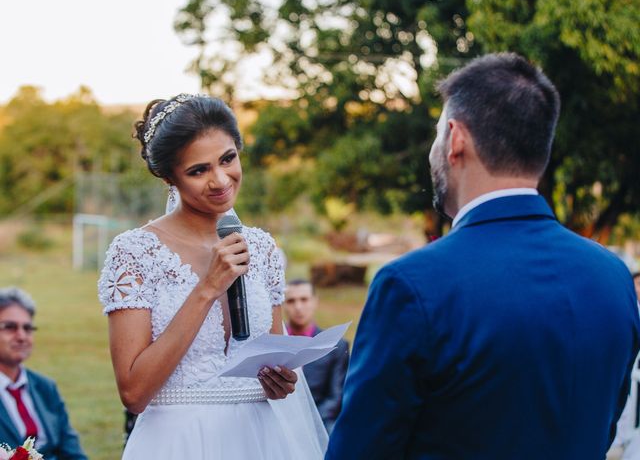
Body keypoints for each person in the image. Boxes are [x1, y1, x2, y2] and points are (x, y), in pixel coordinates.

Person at [326, 53, 640, 459]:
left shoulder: (412, 286)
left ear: (455, 139)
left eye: (437, 135)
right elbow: (605, 424)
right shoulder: (613, 277)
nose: (431, 152)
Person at [98, 94, 327, 459]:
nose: (220, 180)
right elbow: (134, 393)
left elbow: (273, 358)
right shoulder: (135, 253)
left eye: (227, 159)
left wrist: (280, 383)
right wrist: (207, 288)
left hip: (262, 438)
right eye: (198, 170)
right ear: (168, 175)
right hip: (179, 442)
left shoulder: (263, 248)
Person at [0, 287, 87, 460]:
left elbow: (72, 451)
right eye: (10, 327)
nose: (22, 336)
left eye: (28, 328)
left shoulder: (45, 387)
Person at [283, 279, 349, 432]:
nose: (298, 307)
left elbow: (335, 397)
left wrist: (308, 422)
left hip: (320, 420)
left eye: (304, 300)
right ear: (283, 304)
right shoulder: (276, 343)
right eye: (291, 301)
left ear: (314, 302)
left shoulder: (335, 345)